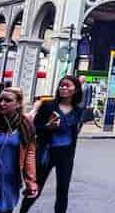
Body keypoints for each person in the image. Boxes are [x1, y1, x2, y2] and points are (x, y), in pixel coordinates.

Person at [19, 76, 84, 213]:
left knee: (63, 190)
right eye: (61, 85)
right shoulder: (48, 106)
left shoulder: (78, 110)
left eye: (67, 86)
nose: (63, 88)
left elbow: (75, 132)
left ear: (76, 89)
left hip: (66, 155)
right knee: (36, 187)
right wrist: (48, 127)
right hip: (46, 152)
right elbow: (35, 127)